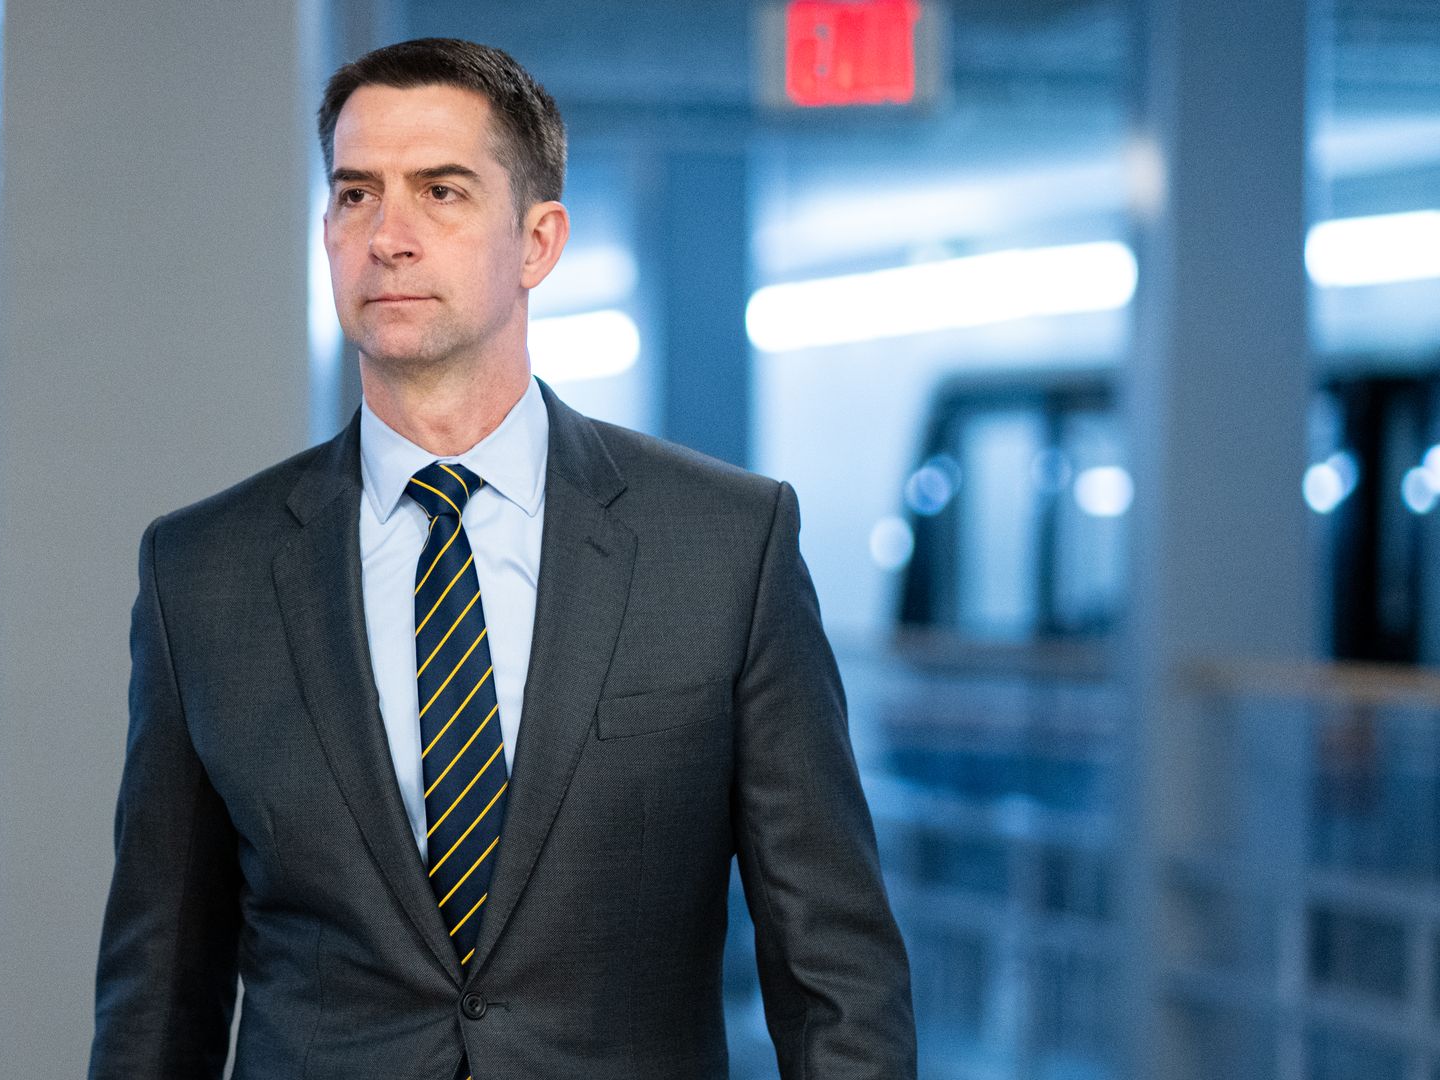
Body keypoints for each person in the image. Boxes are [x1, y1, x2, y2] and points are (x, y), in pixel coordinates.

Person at [87, 36, 915, 1080]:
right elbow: (160, 988)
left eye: (440, 191)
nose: (387, 235)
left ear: (537, 242)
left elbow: (836, 972)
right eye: (354, 195)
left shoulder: (726, 547)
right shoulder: (202, 572)